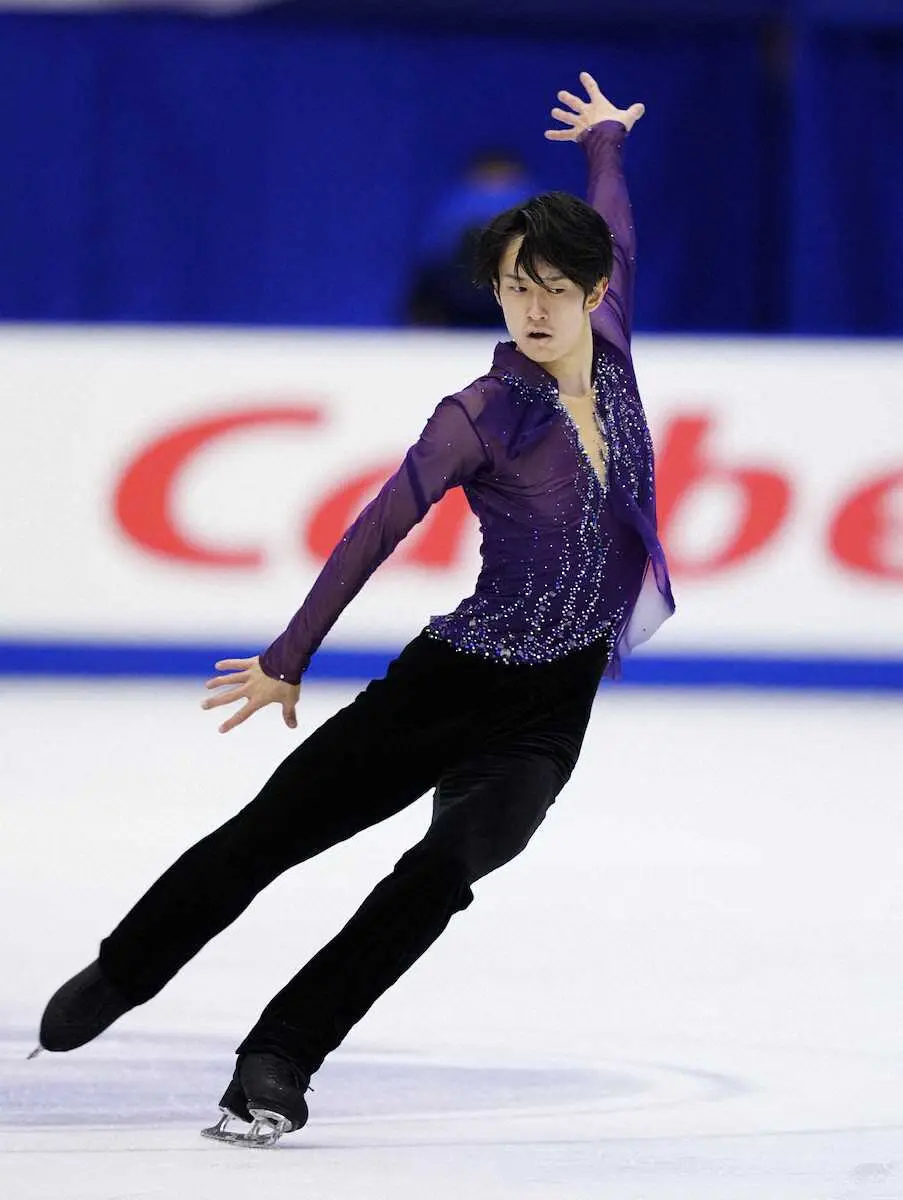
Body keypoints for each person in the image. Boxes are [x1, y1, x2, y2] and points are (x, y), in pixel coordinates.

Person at [34, 72, 675, 1148]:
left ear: (594, 290)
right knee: (270, 836)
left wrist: (605, 140)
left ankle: (279, 1058)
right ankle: (127, 966)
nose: (532, 309)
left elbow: (615, 216)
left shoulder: (612, 348)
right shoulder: (477, 414)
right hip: (447, 685)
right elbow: (375, 530)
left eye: (553, 289)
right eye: (513, 287)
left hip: (547, 713)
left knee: (441, 875)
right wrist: (289, 657)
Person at [406, 148, 536, 327]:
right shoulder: (456, 208)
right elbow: (432, 261)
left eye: (501, 180)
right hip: (456, 302)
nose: (494, 191)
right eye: (489, 178)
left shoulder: (531, 204)